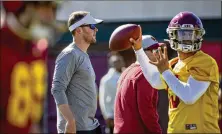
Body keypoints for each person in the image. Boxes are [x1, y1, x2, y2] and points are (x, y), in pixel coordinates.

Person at [130, 11, 220, 133]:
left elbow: (189, 96)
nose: (187, 39)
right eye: (183, 34)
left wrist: (166, 71)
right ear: (173, 35)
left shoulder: (205, 62)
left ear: (199, 35)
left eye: (191, 35)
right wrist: (138, 50)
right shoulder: (173, 63)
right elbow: (156, 81)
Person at [0, 1, 57, 133]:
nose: (51, 15)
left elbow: (31, 120)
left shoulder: (38, 48)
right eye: (46, 6)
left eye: (54, 8)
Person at [51, 11, 103, 134]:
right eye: (91, 26)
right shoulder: (69, 54)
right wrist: (70, 121)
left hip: (89, 126)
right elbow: (57, 89)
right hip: (76, 129)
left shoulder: (82, 54)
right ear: (79, 30)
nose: (96, 29)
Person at [114, 35, 162, 133]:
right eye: (153, 50)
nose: (158, 53)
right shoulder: (145, 74)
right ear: (141, 51)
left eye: (159, 49)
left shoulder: (126, 71)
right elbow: (146, 110)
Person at [99, 52, 125, 134]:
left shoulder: (126, 75)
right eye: (116, 62)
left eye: (120, 61)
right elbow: (102, 98)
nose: (119, 63)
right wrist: (107, 115)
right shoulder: (107, 79)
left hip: (125, 114)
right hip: (112, 115)